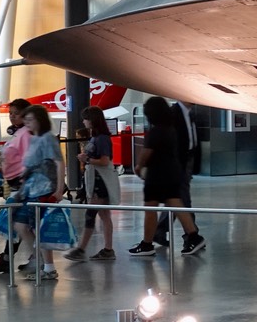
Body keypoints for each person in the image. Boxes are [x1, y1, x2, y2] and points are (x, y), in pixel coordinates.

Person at [127, 97, 204, 257]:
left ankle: (147, 244)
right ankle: (193, 236)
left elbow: (146, 154)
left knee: (151, 209)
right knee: (177, 204)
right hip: (172, 173)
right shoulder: (170, 129)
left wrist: (139, 167)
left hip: (156, 176)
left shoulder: (155, 132)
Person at [12, 105, 66, 280]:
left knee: (38, 227)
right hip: (31, 188)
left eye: (30, 120)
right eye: (25, 120)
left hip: (44, 189)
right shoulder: (34, 139)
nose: (26, 123)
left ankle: (47, 266)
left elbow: (59, 162)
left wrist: (58, 189)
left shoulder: (47, 139)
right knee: (21, 225)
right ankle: (40, 259)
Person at [0, 100, 34, 273]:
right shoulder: (19, 134)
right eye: (10, 113)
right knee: (18, 224)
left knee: (19, 223)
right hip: (16, 184)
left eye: (15, 113)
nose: (11, 116)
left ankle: (34, 259)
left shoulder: (25, 134)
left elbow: (27, 160)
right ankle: (10, 257)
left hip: (23, 186)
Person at [65, 107, 120, 262]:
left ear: (92, 120)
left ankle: (83, 248)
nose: (83, 121)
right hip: (95, 181)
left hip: (99, 183)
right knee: (102, 215)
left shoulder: (101, 139)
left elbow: (105, 160)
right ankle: (104, 248)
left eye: (85, 118)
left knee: (93, 214)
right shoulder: (97, 137)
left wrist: (87, 159)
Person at [153, 99, 197, 248]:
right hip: (177, 164)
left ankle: (159, 230)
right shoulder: (173, 114)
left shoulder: (190, 114)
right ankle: (192, 234)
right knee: (183, 198)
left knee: (175, 198)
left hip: (187, 160)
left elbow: (191, 139)